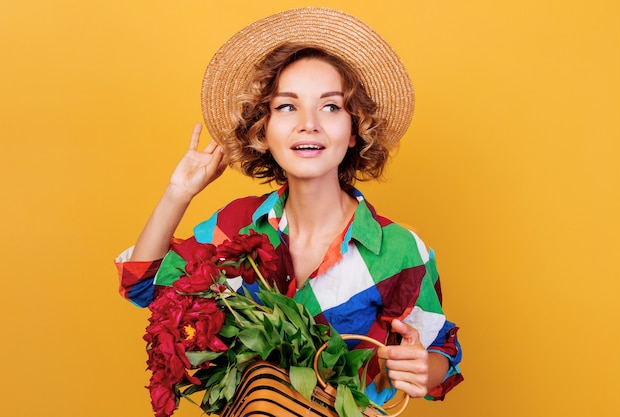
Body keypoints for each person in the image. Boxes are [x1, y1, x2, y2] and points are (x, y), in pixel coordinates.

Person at [116, 6, 463, 407]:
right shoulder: (237, 224)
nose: (308, 123)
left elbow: (441, 350)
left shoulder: (398, 250)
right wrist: (178, 193)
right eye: (286, 106)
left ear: (355, 130)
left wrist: (422, 367)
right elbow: (144, 286)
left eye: (331, 106)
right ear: (263, 129)